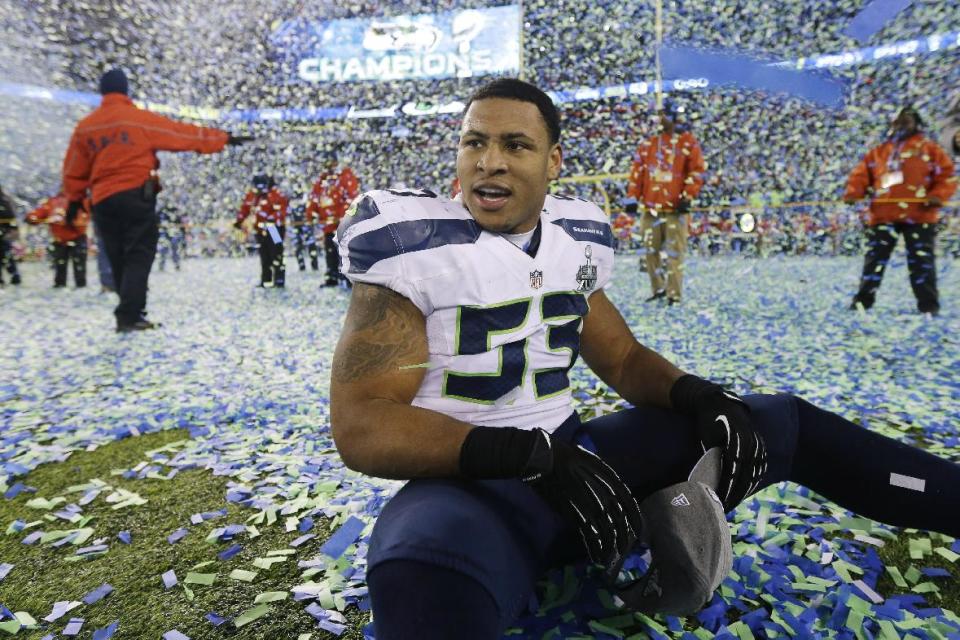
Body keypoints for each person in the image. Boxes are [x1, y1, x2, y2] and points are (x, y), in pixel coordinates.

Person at [329, 78, 960, 640]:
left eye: (514, 146)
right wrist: (525, 457)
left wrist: (701, 397)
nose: (488, 163)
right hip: (472, 488)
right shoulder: (411, 244)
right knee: (421, 569)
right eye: (473, 142)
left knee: (775, 422)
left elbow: (624, 360)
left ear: (554, 162)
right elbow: (364, 423)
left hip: (582, 460)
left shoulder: (576, 236)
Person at [61, 68, 251, 331]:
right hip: (136, 195)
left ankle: (127, 306)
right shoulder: (138, 119)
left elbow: (73, 169)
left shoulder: (86, 127)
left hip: (102, 199)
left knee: (116, 254)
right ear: (126, 90)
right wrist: (223, 139)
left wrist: (73, 200)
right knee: (139, 253)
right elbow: (181, 134)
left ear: (102, 91)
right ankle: (130, 313)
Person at [844, 106, 956, 316]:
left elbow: (947, 176)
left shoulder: (930, 149)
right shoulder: (880, 151)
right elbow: (861, 175)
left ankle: (928, 305)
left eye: (907, 121)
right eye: (898, 121)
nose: (901, 125)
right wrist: (853, 193)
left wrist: (937, 196)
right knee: (874, 262)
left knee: (922, 263)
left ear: (916, 123)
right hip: (883, 215)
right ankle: (863, 302)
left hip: (920, 214)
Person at [627, 101, 705, 305]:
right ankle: (658, 289)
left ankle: (674, 294)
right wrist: (632, 197)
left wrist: (688, 196)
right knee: (649, 252)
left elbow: (696, 171)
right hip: (651, 209)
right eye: (659, 115)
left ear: (674, 117)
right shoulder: (649, 144)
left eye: (665, 115)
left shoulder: (688, 142)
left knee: (674, 254)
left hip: (675, 210)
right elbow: (638, 172)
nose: (661, 119)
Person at [306, 149, 359, 287]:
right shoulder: (322, 179)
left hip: (343, 224)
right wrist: (311, 214)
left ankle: (348, 279)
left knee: (345, 251)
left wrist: (342, 217)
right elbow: (314, 198)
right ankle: (332, 276)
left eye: (331, 163)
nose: (329, 167)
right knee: (329, 250)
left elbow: (351, 199)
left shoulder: (346, 176)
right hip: (327, 224)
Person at [25, 193, 90, 288]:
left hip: (78, 237)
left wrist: (70, 221)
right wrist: (31, 217)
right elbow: (40, 213)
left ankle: (80, 285)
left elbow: (85, 216)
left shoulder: (81, 201)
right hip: (59, 240)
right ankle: (60, 284)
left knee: (79, 266)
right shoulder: (52, 201)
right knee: (60, 265)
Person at [235, 175, 289, 288]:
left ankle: (279, 279)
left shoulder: (275, 194)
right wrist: (239, 220)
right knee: (264, 254)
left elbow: (282, 210)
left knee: (276, 252)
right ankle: (266, 279)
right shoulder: (253, 195)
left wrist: (271, 218)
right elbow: (245, 207)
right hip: (260, 229)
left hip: (274, 229)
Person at [0, 184, 21, 286]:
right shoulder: (5, 199)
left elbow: (11, 216)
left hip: (3, 232)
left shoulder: (4, 200)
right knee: (6, 254)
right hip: (5, 231)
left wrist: (13, 229)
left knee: (6, 254)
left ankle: (15, 275)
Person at [290, 200, 319, 272]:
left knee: (310, 244)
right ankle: (302, 265)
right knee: (274, 249)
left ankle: (314, 266)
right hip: (267, 228)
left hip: (306, 224)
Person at [157, 204, 187, 272]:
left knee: (174, 250)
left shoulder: (177, 216)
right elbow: (158, 224)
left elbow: (181, 226)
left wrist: (174, 226)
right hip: (165, 235)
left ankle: (176, 265)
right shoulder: (162, 215)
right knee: (164, 250)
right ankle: (162, 265)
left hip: (174, 235)